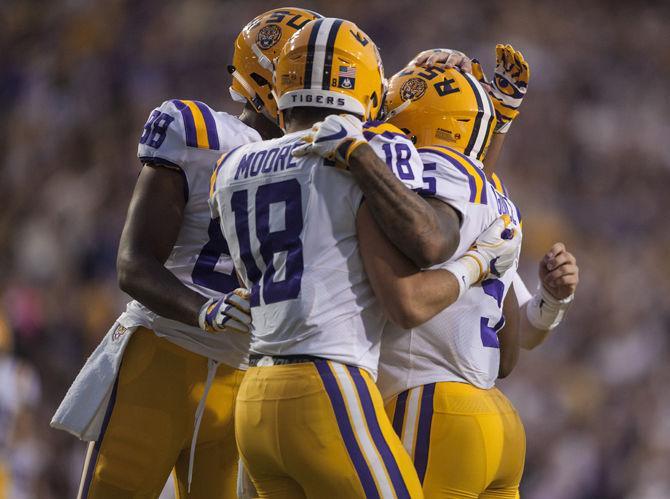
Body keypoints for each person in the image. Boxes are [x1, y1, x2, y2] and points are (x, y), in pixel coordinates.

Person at [210, 17, 520, 498]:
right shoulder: (372, 150)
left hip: (255, 396)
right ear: (370, 86)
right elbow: (433, 236)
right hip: (327, 383)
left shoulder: (232, 166)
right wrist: (480, 260)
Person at [50, 8, 322, 498]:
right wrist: (208, 310)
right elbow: (134, 264)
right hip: (162, 353)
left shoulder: (326, 161)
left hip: (245, 378)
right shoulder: (200, 134)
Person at [362, 60, 527, 497]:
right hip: (498, 417)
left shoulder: (429, 174)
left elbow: (425, 241)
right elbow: (509, 359)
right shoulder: (499, 199)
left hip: (432, 403)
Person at [412, 46, 579, 350]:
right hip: (425, 380)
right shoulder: (408, 174)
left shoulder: (491, 196)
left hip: (457, 381)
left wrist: (552, 299)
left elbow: (522, 333)